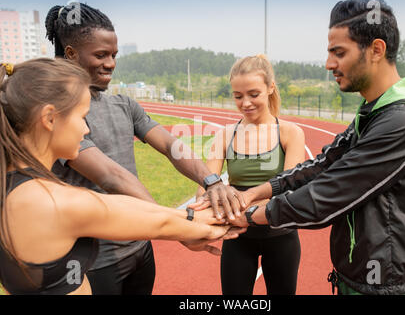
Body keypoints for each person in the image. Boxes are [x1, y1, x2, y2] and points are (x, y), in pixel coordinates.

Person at [221, 0, 405, 295]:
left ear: (376, 50)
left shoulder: (403, 122)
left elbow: (328, 194)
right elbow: (323, 164)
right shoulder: (375, 112)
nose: (330, 64)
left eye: (338, 53)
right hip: (358, 279)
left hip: (389, 288)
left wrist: (246, 216)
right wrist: (256, 192)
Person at [44, 3, 244, 295]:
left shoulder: (124, 104)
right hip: (96, 262)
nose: (111, 63)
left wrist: (211, 181)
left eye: (113, 55)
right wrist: (182, 226)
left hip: (140, 249)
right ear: (71, 53)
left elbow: (170, 145)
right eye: (101, 55)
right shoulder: (59, 113)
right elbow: (112, 176)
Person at [0, 59, 243, 295]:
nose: (86, 129)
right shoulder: (49, 202)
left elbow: (123, 206)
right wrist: (211, 225)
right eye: (81, 117)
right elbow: (150, 220)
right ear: (50, 118)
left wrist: (189, 219)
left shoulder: (18, 185)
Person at [196, 55, 305, 295]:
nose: (245, 103)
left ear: (270, 88)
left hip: (281, 235)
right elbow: (206, 186)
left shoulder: (290, 133)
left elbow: (289, 190)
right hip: (238, 238)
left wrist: (242, 211)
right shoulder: (225, 135)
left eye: (253, 94)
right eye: (238, 96)